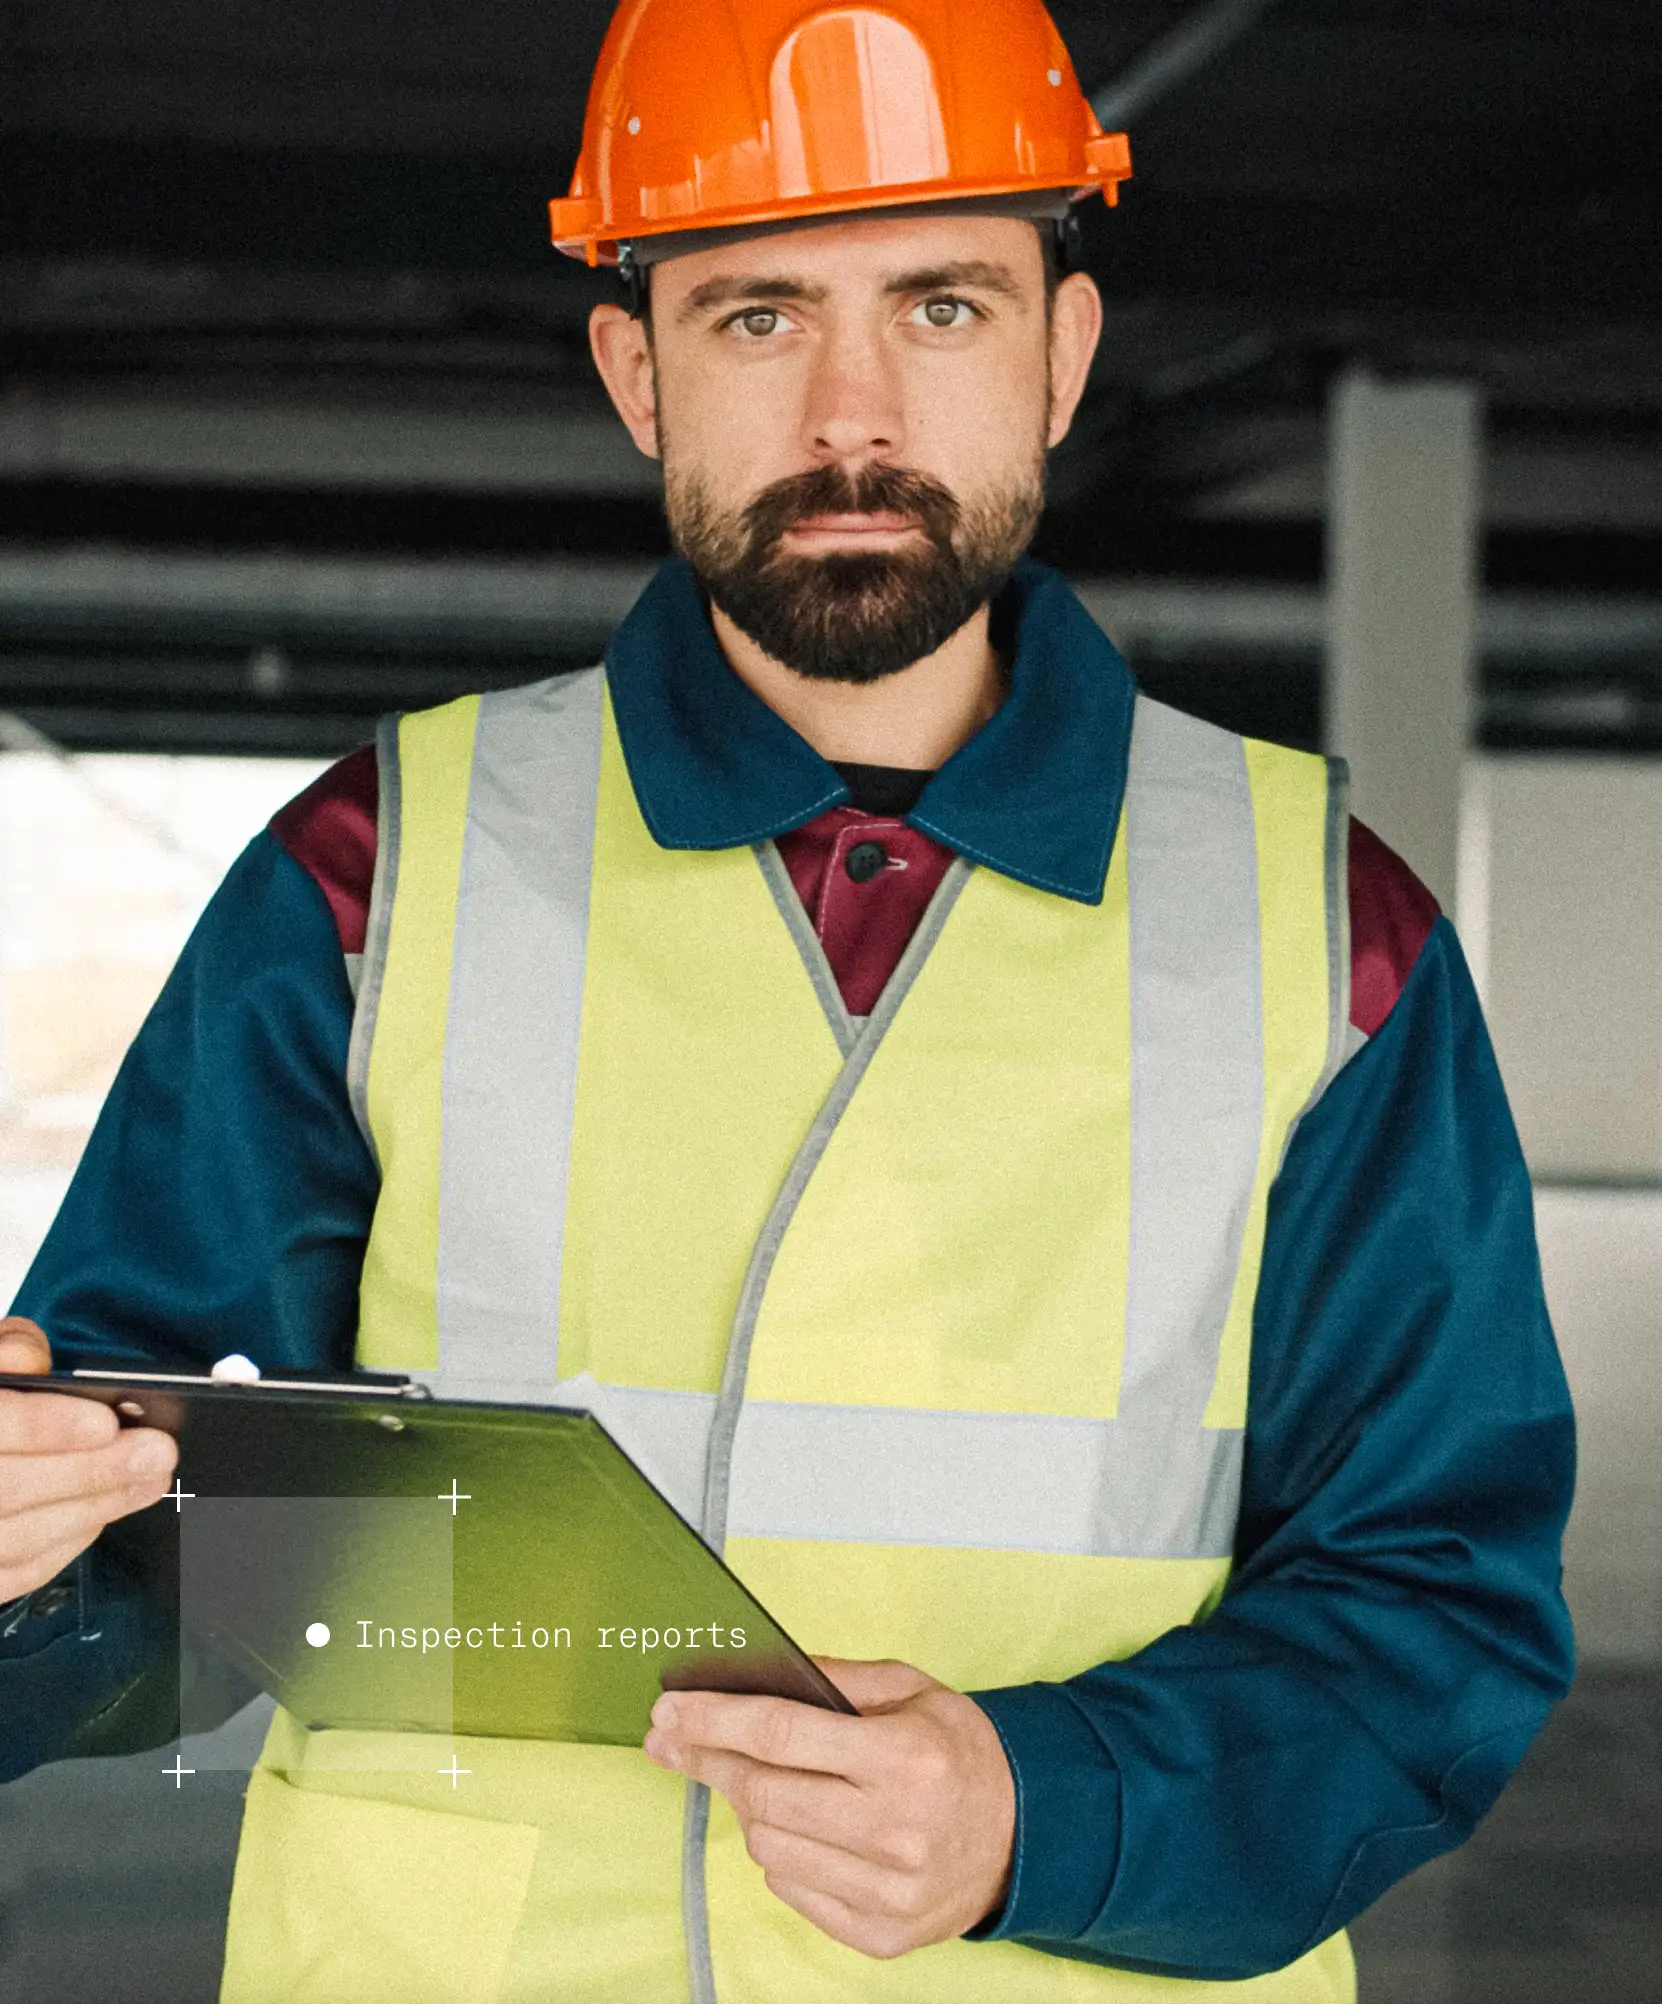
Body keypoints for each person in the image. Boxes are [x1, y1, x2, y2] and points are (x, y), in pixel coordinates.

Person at [0, 1, 1573, 1999]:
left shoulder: (1330, 939)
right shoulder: (369, 878)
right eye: (756, 316)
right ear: (632, 369)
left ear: (1062, 356)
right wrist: (19, 1569)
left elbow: (1438, 1609)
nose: (852, 414)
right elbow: (154, 1549)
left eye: (940, 309)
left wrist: (1042, 1806)